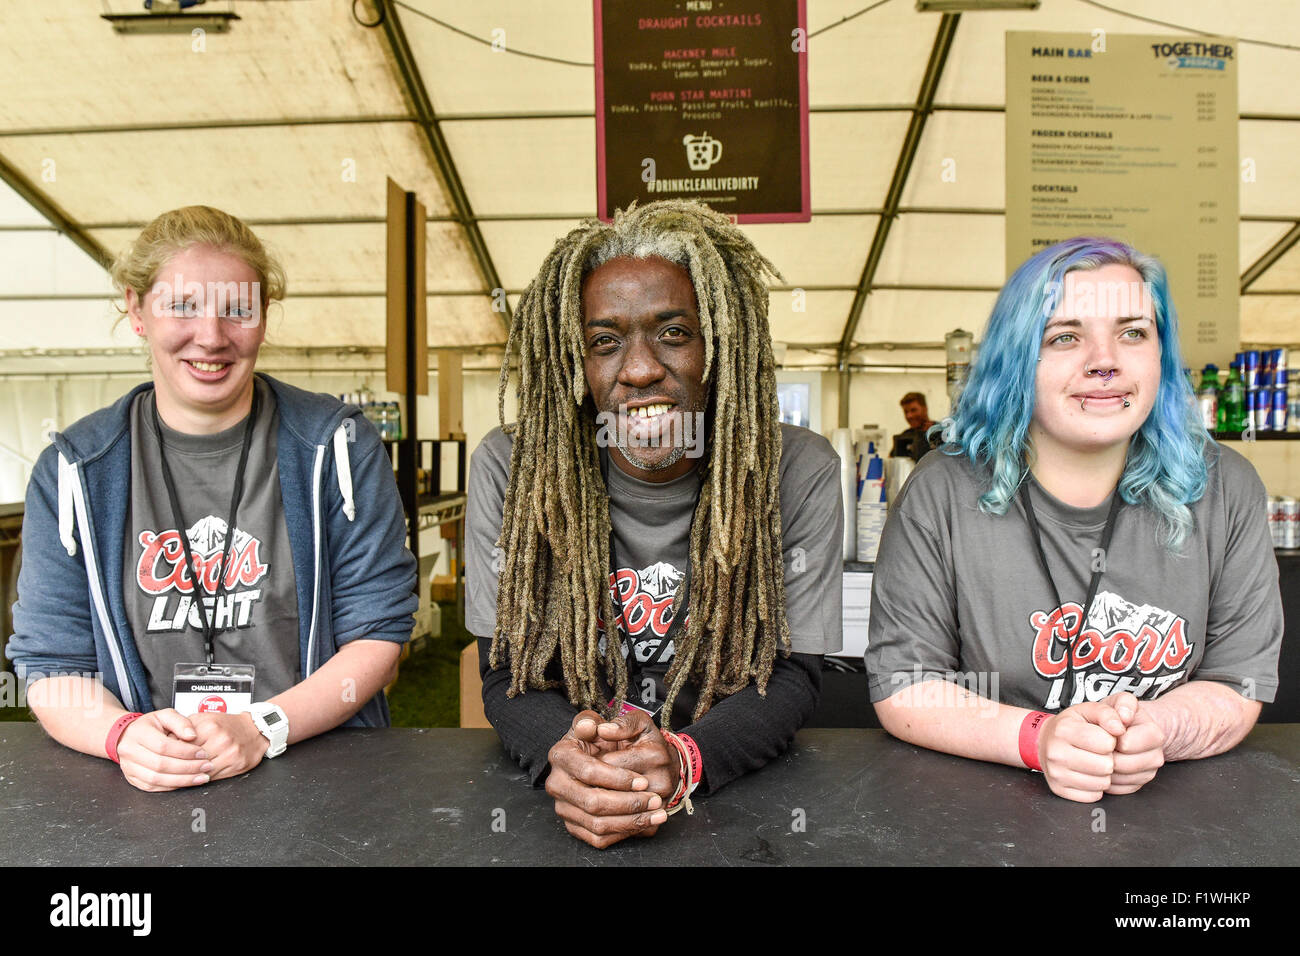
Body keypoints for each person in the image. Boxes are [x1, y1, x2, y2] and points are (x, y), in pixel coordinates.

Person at [466, 200, 843, 848]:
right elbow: (506, 674)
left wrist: (684, 759)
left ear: (719, 343)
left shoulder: (796, 469)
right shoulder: (512, 468)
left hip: (738, 811)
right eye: (605, 342)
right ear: (576, 363)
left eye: (673, 333)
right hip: (562, 801)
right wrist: (571, 758)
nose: (638, 369)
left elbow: (792, 672)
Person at [7, 206, 418, 792]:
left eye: (237, 310)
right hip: (145, 788)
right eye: (182, 305)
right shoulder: (74, 469)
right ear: (137, 310)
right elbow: (50, 664)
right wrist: (123, 735)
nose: (212, 336)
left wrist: (261, 727)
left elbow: (378, 632)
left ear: (264, 316)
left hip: (318, 777)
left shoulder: (338, 446)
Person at [867, 237, 1282, 804]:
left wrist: (1159, 731)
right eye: (1065, 336)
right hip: (986, 818)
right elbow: (904, 684)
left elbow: (1239, 683)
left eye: (1133, 332)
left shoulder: (1227, 487)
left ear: (1161, 352)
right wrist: (1039, 739)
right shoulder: (942, 490)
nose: (1105, 360)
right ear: (1016, 359)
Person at [891, 391, 937, 461]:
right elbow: (892, 461)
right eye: (906, 412)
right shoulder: (905, 436)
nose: (909, 416)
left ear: (925, 409)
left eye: (913, 410)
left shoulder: (940, 432)